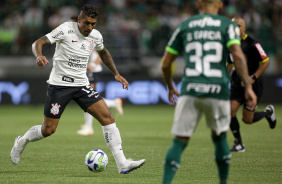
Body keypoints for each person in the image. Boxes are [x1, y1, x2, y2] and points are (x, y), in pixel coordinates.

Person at [10, 4, 145, 174]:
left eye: (93, 24)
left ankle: (122, 163)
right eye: (87, 23)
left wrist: (116, 74)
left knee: (108, 118)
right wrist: (39, 56)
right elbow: (38, 42)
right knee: (48, 130)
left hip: (81, 85)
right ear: (79, 19)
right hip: (59, 85)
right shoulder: (65, 29)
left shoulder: (95, 36)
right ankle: (22, 141)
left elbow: (104, 53)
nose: (89, 27)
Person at [161, 0, 257, 184]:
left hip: (190, 91)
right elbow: (237, 55)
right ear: (220, 4)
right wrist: (249, 86)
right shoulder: (228, 26)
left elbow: (166, 63)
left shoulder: (185, 25)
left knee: (179, 141)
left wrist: (171, 86)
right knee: (220, 138)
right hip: (217, 91)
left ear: (198, 4)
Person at [227, 17, 277, 152]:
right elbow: (230, 64)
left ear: (244, 28)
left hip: (253, 84)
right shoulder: (229, 44)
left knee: (247, 120)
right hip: (237, 83)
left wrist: (253, 77)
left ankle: (268, 113)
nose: (234, 27)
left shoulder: (253, 44)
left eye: (238, 25)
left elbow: (266, 62)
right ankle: (239, 144)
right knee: (230, 111)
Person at [77, 50, 124, 136]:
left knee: (88, 97)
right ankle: (114, 103)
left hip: (93, 71)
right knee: (89, 97)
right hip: (90, 71)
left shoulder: (91, 38)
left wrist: (93, 65)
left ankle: (88, 127)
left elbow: (101, 54)